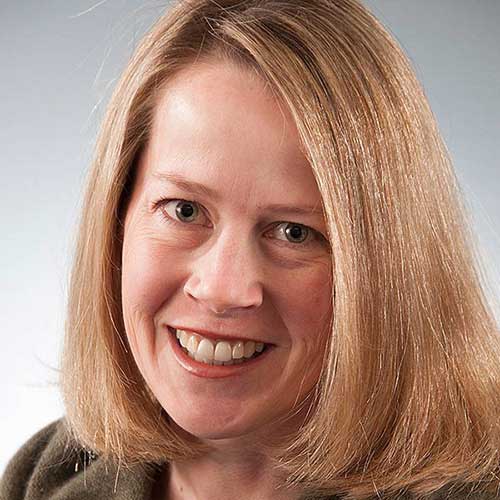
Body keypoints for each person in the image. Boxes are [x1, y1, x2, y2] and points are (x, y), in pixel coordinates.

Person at [1, 0, 499, 499]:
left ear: (388, 265)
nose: (221, 290)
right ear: (118, 220)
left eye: (293, 232)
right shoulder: (48, 475)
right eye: (185, 211)